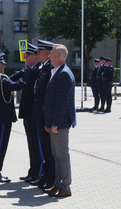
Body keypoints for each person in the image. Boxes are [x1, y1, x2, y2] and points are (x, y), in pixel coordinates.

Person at [0, 52, 26, 183]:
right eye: (2, 64)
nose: (4, 66)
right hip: (2, 117)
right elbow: (15, 85)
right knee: (0, 146)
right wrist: (27, 77)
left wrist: (21, 73)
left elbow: (9, 80)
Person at [43, 44, 76, 198]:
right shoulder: (57, 72)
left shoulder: (63, 74)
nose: (49, 56)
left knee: (62, 155)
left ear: (59, 56)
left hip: (60, 123)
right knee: (56, 155)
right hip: (54, 123)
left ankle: (66, 186)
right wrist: (48, 123)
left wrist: (55, 123)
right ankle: (58, 183)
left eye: (51, 54)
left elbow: (62, 102)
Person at [28, 39, 56, 190]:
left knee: (49, 149)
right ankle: (46, 176)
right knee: (45, 148)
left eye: (40, 52)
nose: (37, 54)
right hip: (40, 114)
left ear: (47, 53)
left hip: (45, 114)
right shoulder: (44, 68)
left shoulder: (50, 68)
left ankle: (51, 178)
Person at [18, 43, 43, 183]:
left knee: (36, 144)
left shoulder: (39, 70)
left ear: (36, 56)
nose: (25, 57)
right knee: (31, 144)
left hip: (34, 114)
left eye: (27, 55)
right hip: (28, 113)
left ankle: (38, 172)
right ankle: (33, 171)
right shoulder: (30, 69)